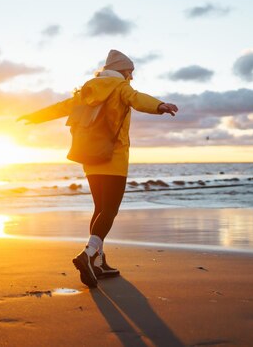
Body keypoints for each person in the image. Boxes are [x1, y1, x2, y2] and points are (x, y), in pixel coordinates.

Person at [18, 49, 178, 288]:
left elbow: (63, 106)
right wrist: (160, 105)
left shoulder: (87, 90)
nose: (131, 77)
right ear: (122, 71)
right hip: (113, 156)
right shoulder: (121, 87)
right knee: (110, 210)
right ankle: (88, 254)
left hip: (90, 157)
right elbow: (138, 99)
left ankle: (99, 262)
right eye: (129, 72)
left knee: (100, 209)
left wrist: (34, 117)